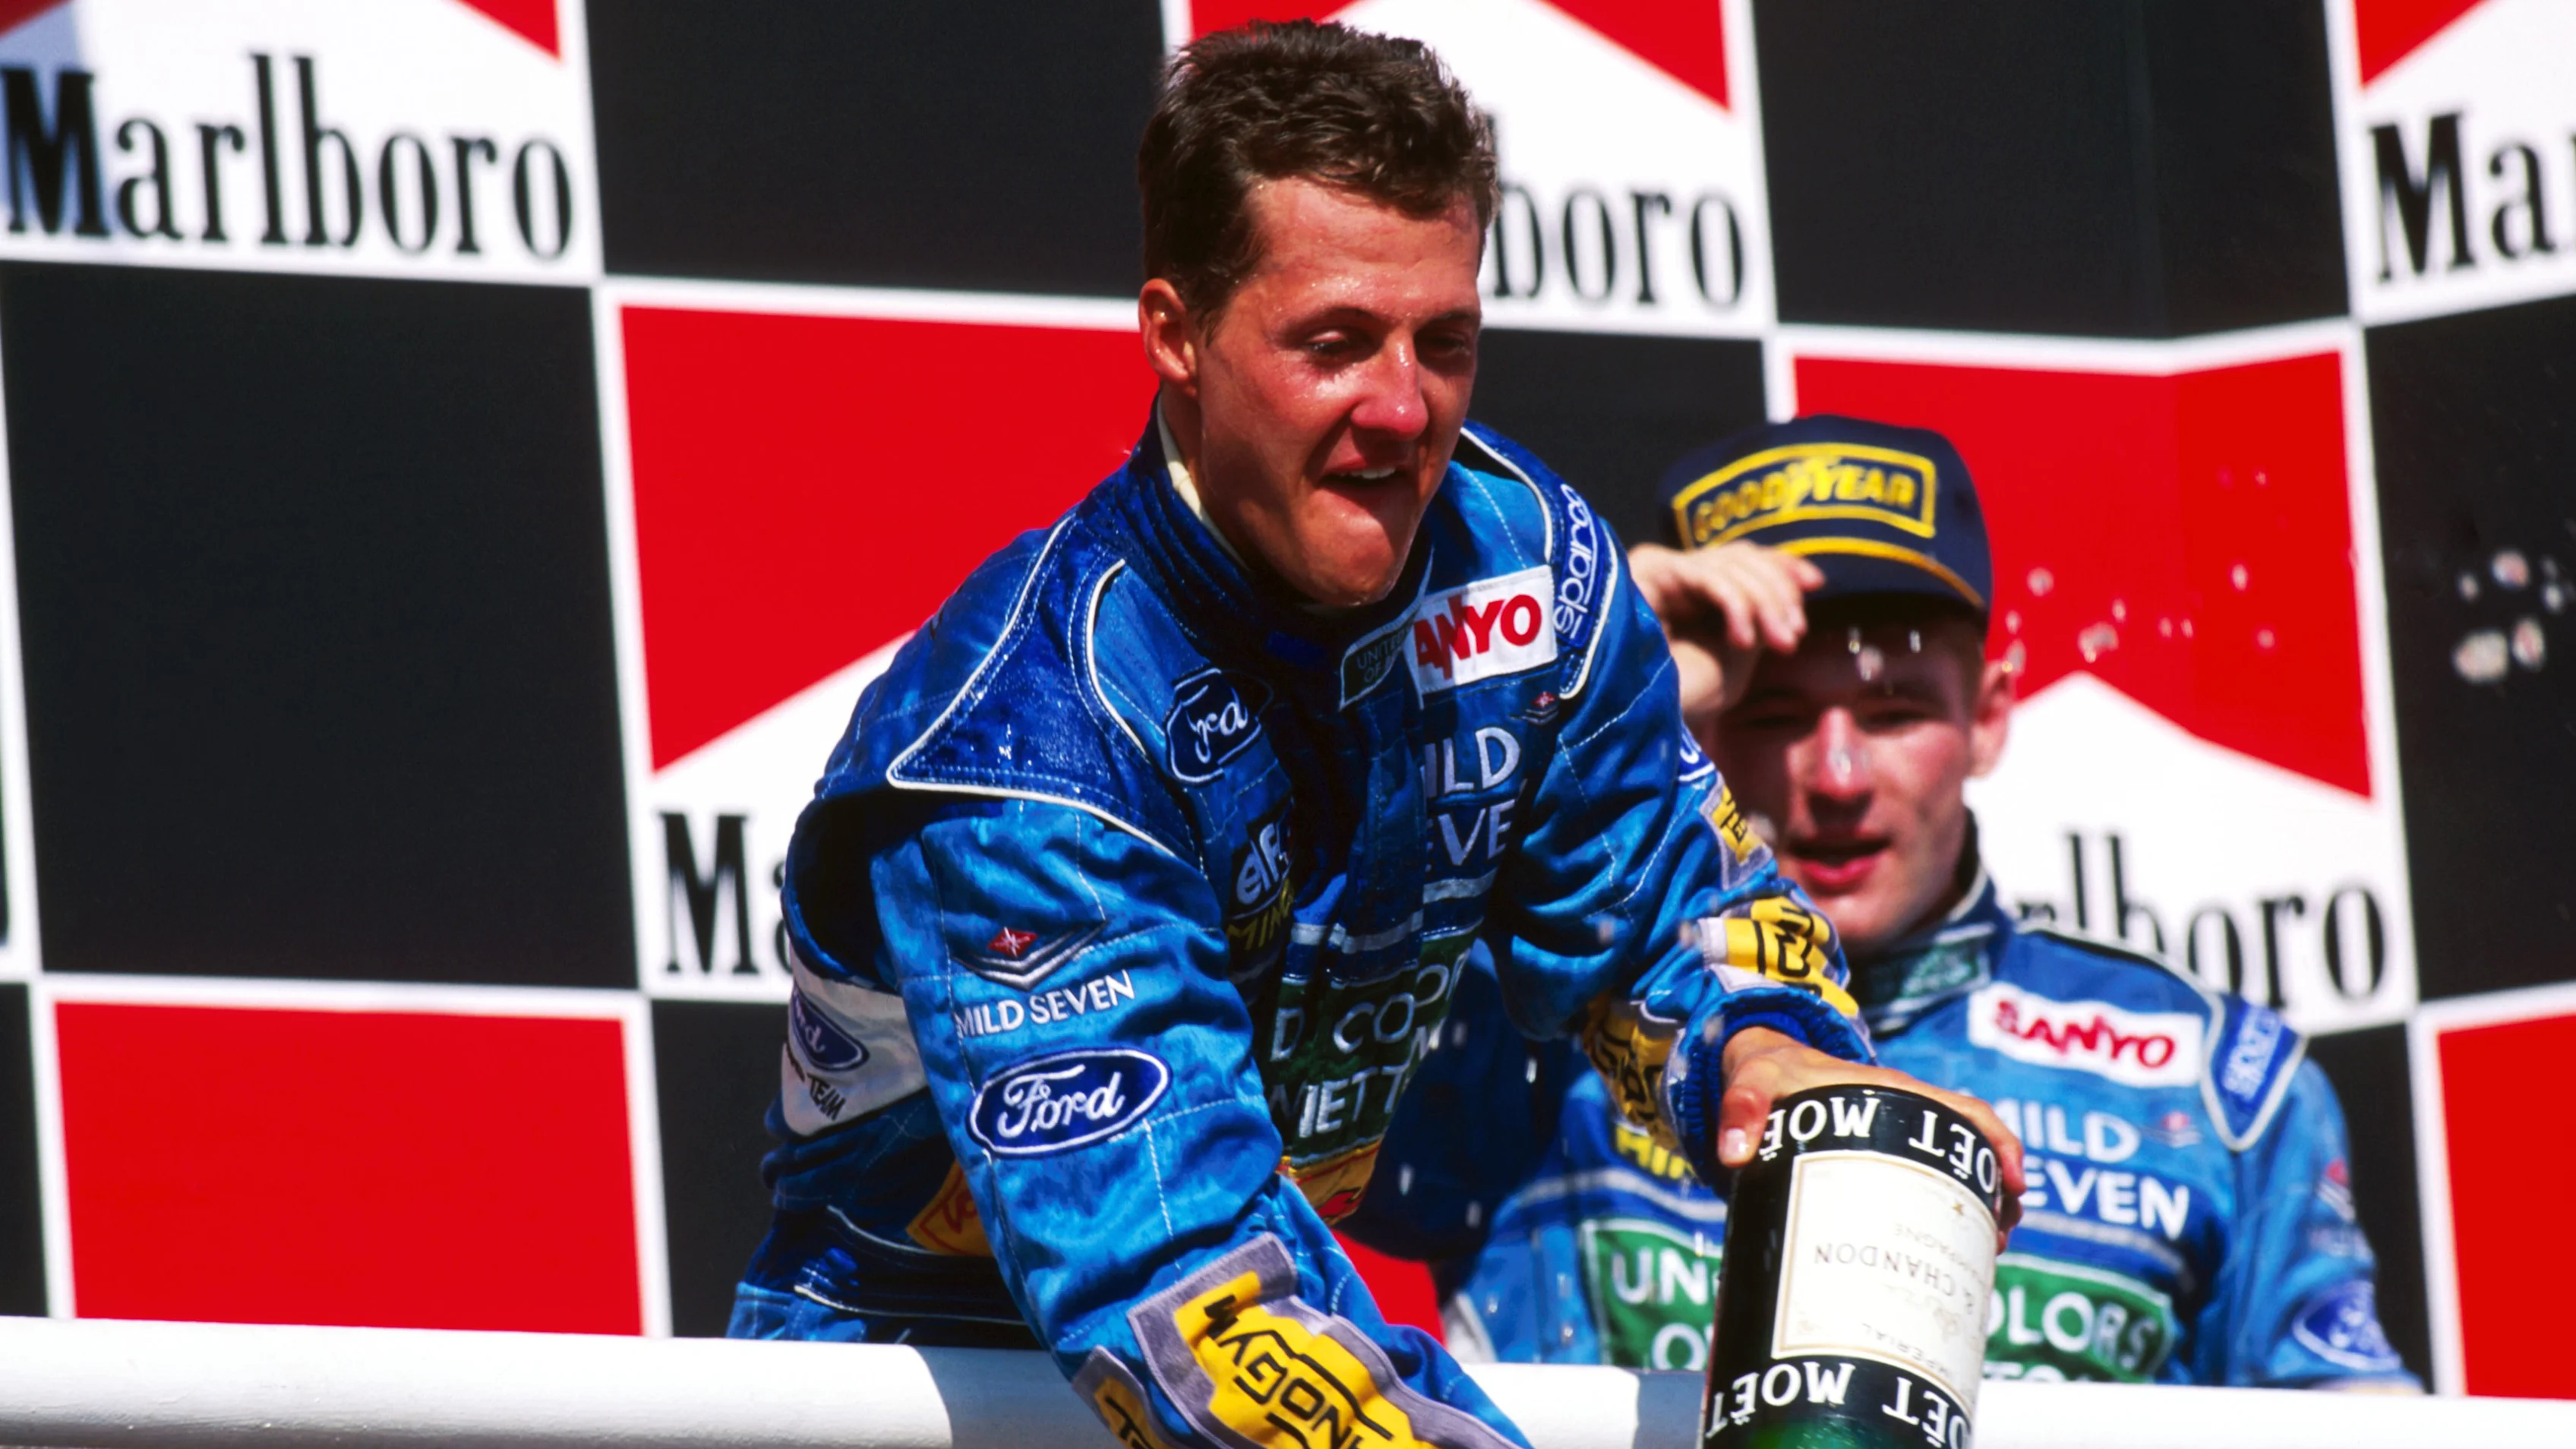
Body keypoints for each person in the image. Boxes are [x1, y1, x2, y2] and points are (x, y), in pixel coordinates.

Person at [723, 23, 2028, 1449]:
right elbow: (1190, 1302)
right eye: (1335, 344)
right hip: (924, 1395)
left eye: (1446, 343)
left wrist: (1770, 1052)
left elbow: (1665, 902)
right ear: (1175, 336)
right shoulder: (1028, 746)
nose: (1405, 413)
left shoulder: (1526, 563)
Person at [1362, 415, 2420, 1389]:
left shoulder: (2214, 1080)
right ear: (1701, 730)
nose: (1835, 776)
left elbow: (2352, 1425)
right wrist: (1594, 698)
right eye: (1773, 711)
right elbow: (1266, 1103)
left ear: (1992, 717)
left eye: (1894, 710)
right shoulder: (1526, 1016)